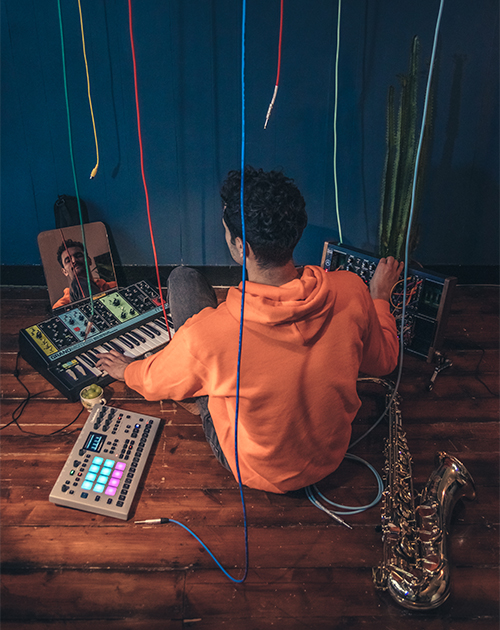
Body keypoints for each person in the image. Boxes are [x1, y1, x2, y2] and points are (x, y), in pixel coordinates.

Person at [96, 166, 403, 494]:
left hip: (256, 470)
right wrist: (379, 299)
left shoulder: (209, 335)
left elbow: (156, 382)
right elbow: (384, 362)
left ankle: (206, 385)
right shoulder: (352, 290)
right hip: (331, 458)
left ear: (242, 247)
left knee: (182, 280)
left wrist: (127, 369)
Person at [53, 239, 117, 309]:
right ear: (64, 271)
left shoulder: (114, 287)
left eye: (78, 256)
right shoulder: (60, 306)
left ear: (89, 260)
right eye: (68, 260)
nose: (74, 261)